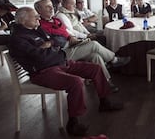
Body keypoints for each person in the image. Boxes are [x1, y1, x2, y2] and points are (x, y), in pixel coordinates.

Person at [8, 7, 123, 136]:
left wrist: (49, 45)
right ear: (23, 20)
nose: (38, 18)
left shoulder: (36, 30)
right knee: (75, 82)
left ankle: (104, 102)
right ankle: (73, 122)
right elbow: (38, 57)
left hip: (60, 63)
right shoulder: (18, 38)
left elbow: (58, 41)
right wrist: (51, 48)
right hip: (42, 72)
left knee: (95, 69)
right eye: (34, 16)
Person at [35, 0, 129, 92]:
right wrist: (69, 39)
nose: (51, 8)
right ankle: (114, 60)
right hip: (61, 54)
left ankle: (106, 82)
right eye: (47, 7)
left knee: (96, 56)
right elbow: (54, 41)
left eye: (51, 6)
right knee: (94, 45)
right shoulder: (41, 26)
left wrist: (71, 37)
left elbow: (67, 31)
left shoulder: (55, 20)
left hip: (71, 46)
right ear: (39, 10)